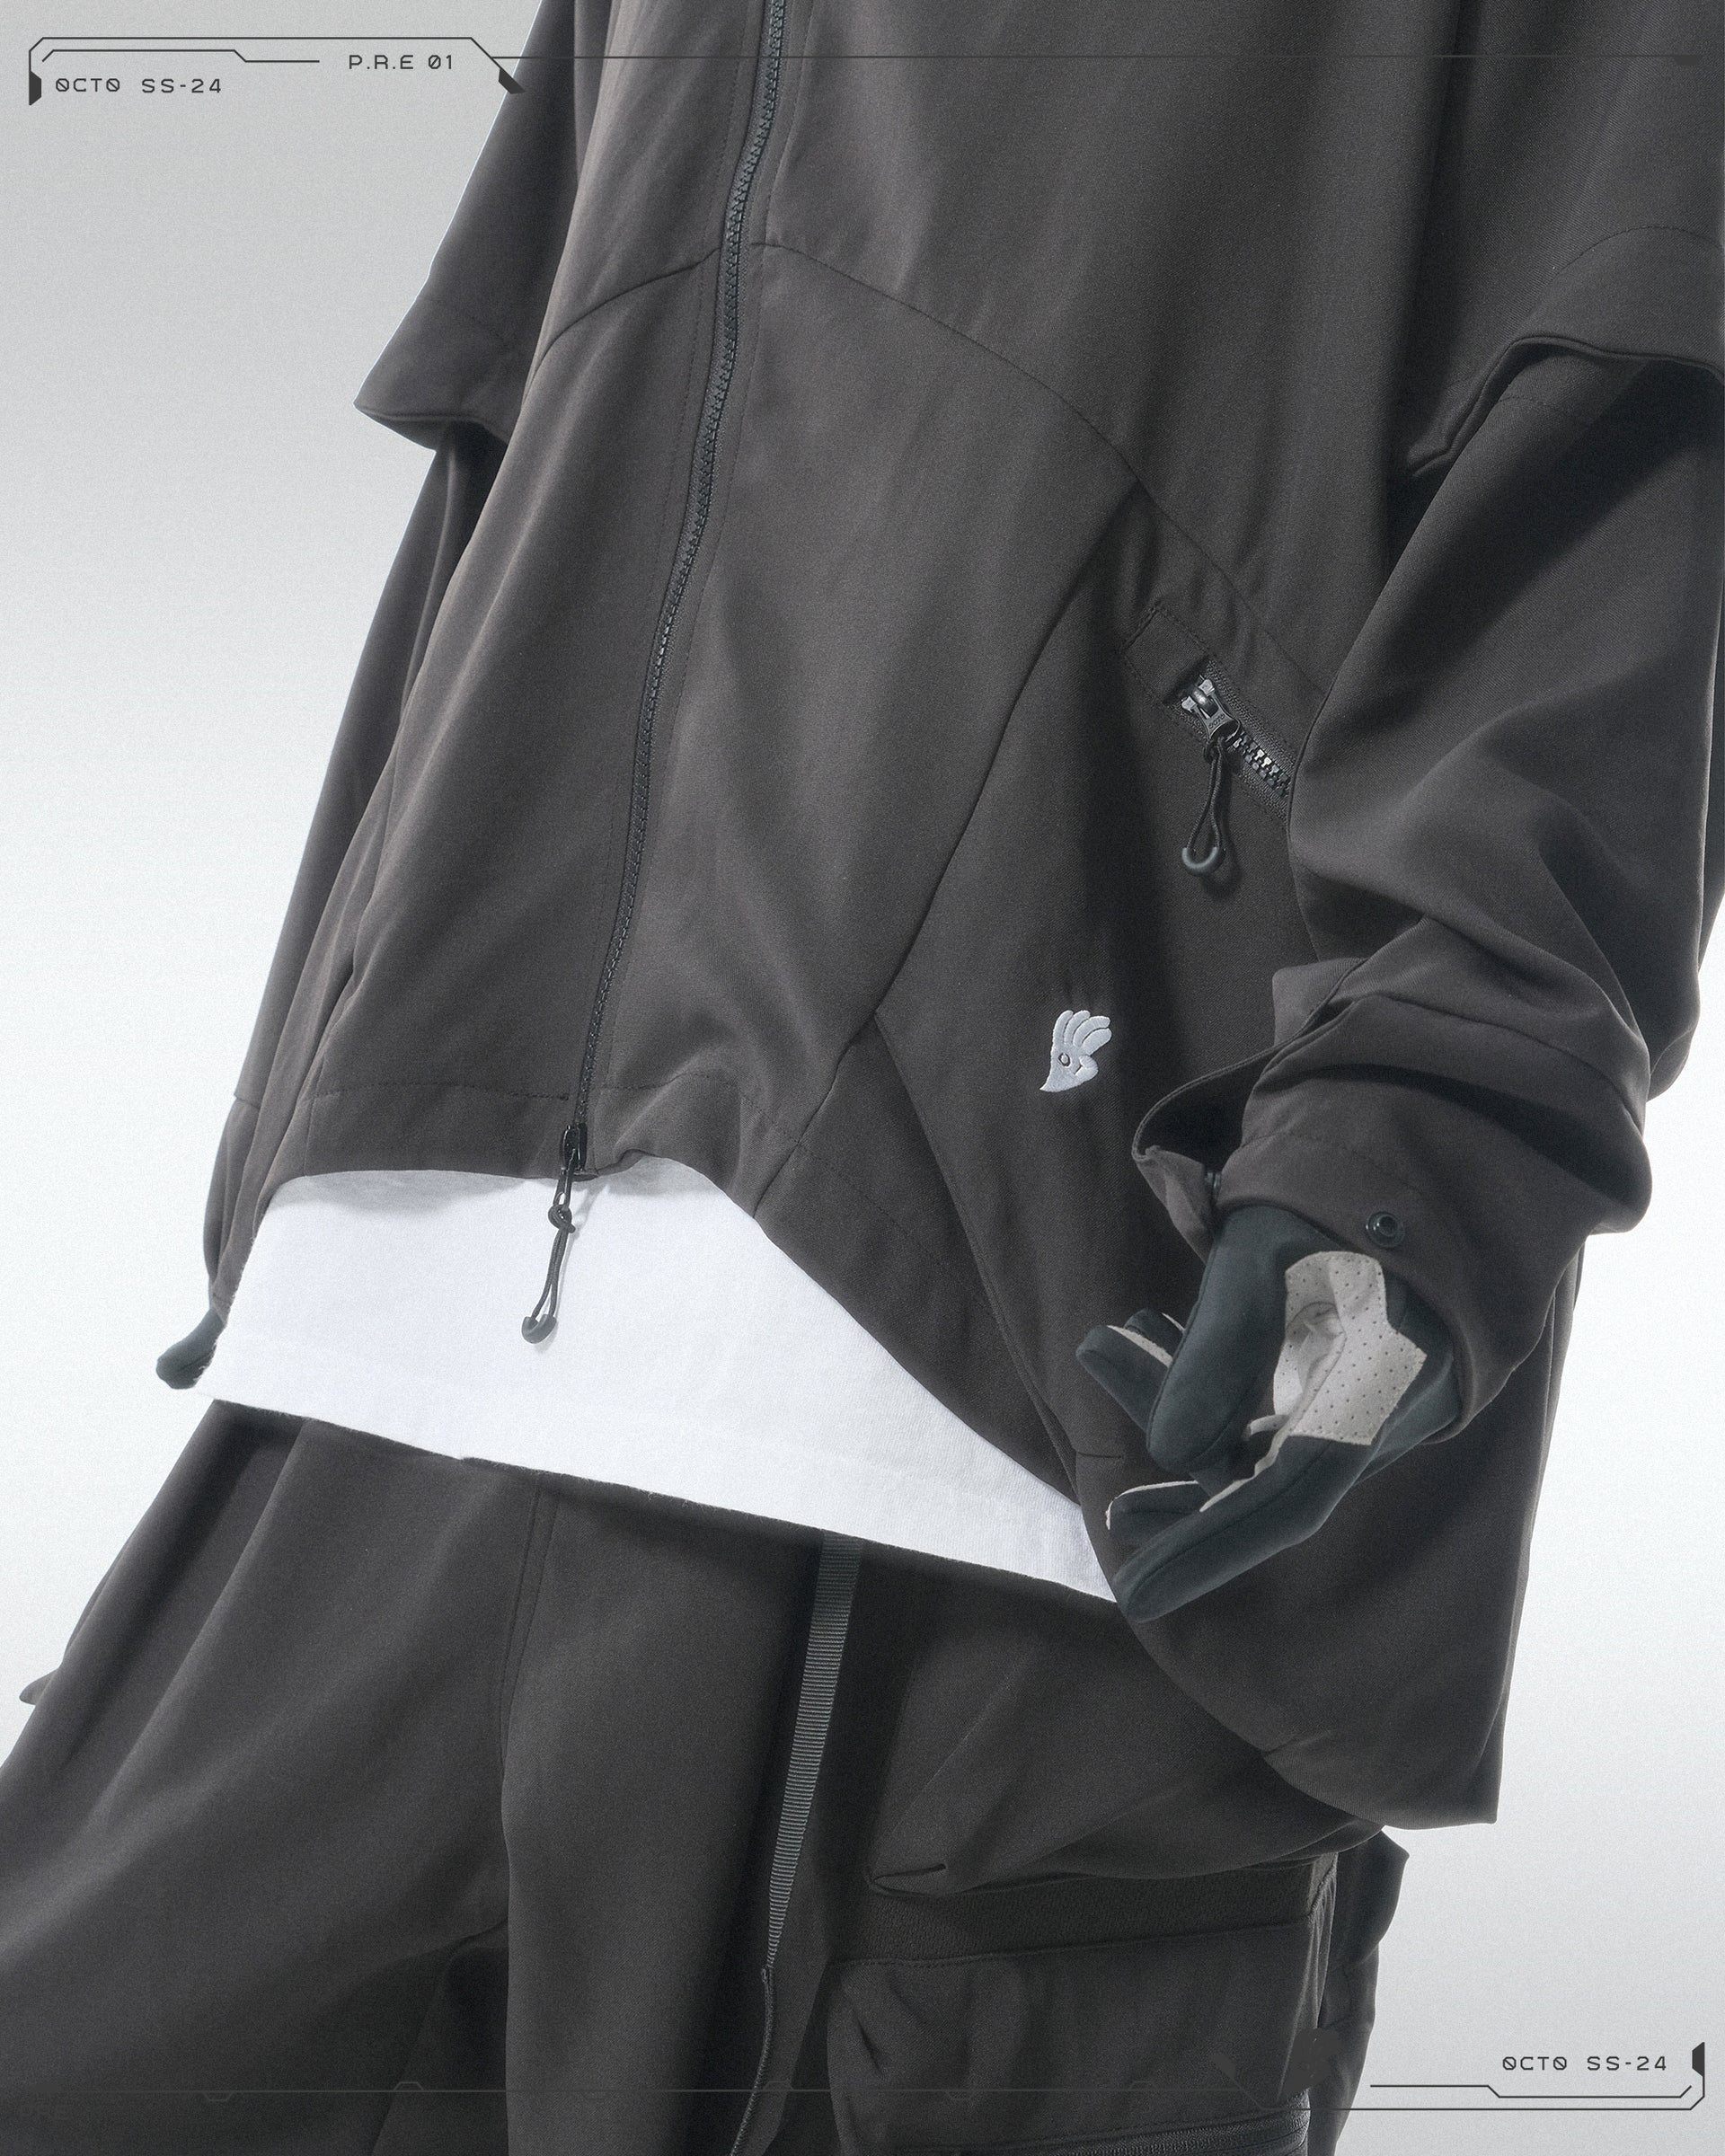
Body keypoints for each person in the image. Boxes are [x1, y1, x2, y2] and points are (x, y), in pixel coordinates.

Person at [2, 3, 1720, 2152]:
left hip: (998, 1388)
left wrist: (1408, 1169)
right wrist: (299, 1127)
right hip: (382, 1366)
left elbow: (1606, 518)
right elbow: (519, 419)